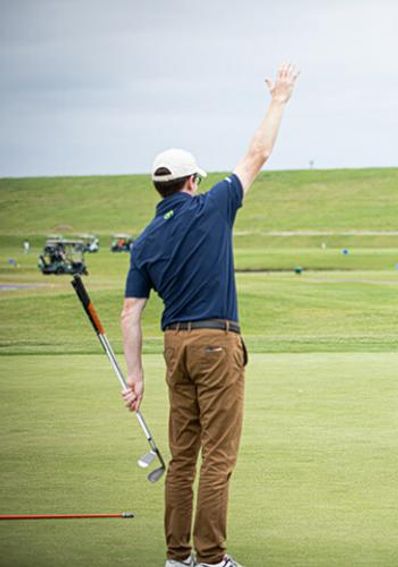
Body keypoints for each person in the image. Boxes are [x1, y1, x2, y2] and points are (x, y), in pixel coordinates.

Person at [121, 63, 299, 567]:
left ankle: (178, 557)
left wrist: (135, 377)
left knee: (183, 458)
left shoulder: (145, 240)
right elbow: (257, 153)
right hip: (216, 344)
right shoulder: (213, 204)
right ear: (193, 181)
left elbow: (131, 313)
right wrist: (279, 100)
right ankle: (212, 556)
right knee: (218, 456)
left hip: (173, 348)